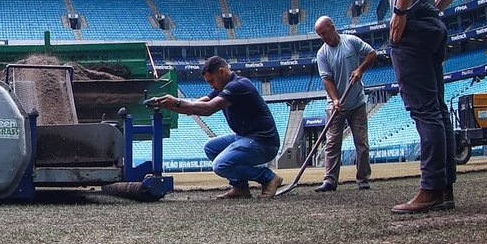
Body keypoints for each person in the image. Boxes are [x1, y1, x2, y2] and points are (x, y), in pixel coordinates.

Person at [375, 0, 468, 214]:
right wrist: (434, 7)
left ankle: (430, 189)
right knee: (439, 110)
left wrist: (401, 12)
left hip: (412, 28)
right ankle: (445, 189)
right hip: (432, 26)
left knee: (425, 111)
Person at [149, 55, 282, 199]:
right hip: (246, 137)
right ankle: (240, 188)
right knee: (211, 147)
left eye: (212, 81)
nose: (211, 85)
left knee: (221, 165)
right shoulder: (222, 87)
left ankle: (268, 177)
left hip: (263, 143)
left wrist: (178, 103)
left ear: (222, 72)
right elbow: (201, 103)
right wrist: (171, 105)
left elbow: (208, 109)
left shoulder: (239, 85)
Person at [311, 16, 378, 192]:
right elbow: (326, 79)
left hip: (356, 103)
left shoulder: (351, 41)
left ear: (332, 28)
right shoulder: (322, 54)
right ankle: (330, 180)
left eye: (324, 32)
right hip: (335, 106)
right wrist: (334, 99)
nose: (322, 37)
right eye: (319, 34)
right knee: (332, 143)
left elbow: (372, 53)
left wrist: (360, 69)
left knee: (361, 143)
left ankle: (363, 179)